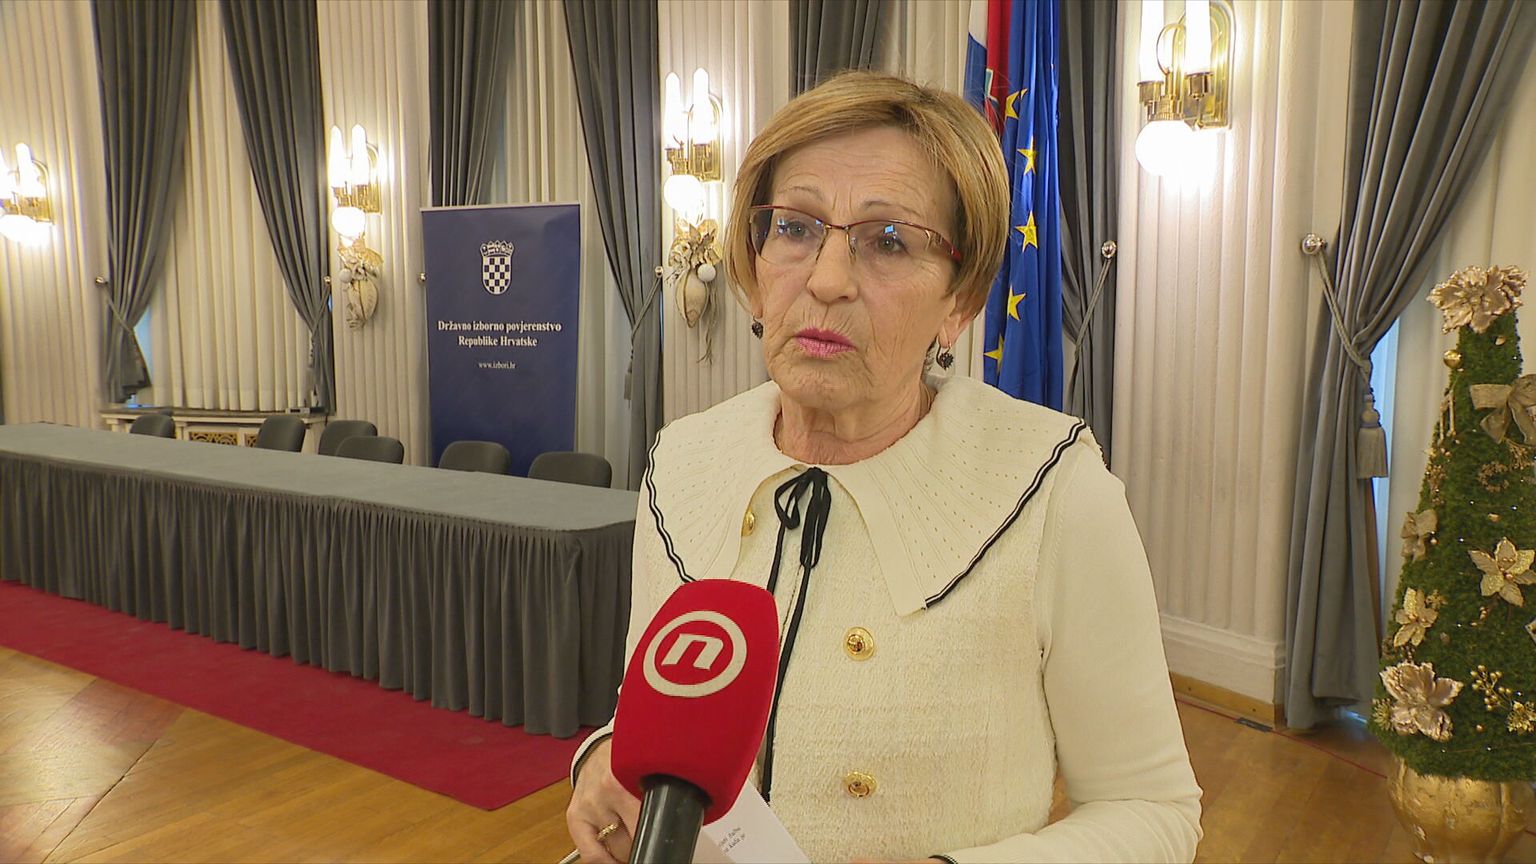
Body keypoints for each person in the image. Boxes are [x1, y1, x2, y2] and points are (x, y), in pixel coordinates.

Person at [567, 71, 1202, 863]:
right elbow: (655, 709)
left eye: (890, 240)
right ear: (755, 264)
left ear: (959, 302)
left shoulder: (1053, 490)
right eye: (795, 227)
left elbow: (1153, 810)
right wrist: (601, 757)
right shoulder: (683, 461)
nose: (827, 280)